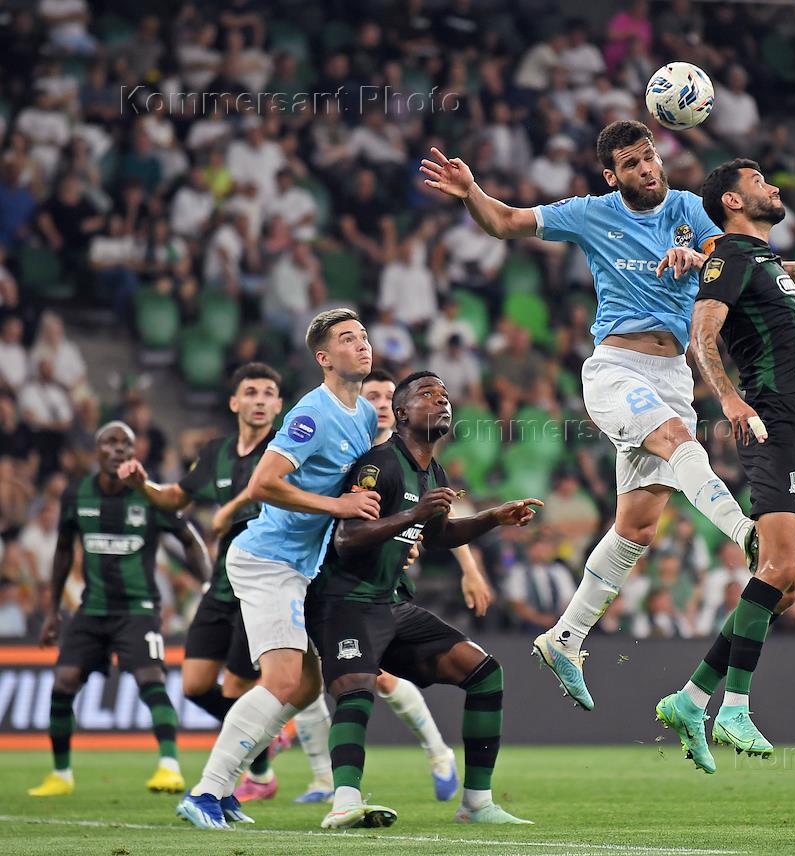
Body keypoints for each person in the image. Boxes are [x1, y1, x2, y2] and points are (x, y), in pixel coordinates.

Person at [420, 122, 795, 711]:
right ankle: (743, 534)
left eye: (650, 157)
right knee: (674, 441)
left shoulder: (692, 209)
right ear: (611, 175)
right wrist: (472, 193)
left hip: (673, 378)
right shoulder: (590, 213)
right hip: (618, 368)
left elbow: (754, 270)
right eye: (632, 163)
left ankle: (565, 637)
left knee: (638, 528)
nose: (647, 169)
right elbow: (507, 222)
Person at [654, 160, 795, 773]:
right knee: (777, 567)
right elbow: (702, 335)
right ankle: (733, 707)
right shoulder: (727, 255)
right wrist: (730, 399)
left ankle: (691, 699)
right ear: (733, 201)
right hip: (771, 416)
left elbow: (780, 274)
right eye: (759, 180)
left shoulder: (757, 259)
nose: (773, 186)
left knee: (786, 590)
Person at [177, 308, 380, 829]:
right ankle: (206, 792)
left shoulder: (363, 415)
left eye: (363, 336)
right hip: (268, 560)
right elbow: (263, 483)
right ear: (323, 357)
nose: (362, 344)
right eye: (347, 339)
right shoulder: (312, 413)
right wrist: (337, 506)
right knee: (283, 681)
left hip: (302, 566)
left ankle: (225, 789)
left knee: (307, 688)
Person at [309, 371, 541, 827]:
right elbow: (348, 537)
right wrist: (413, 512)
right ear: (401, 412)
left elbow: (437, 536)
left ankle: (476, 804)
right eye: (428, 394)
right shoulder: (380, 465)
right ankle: (344, 802)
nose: (441, 401)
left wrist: (493, 517)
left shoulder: (432, 471)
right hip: (344, 601)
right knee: (356, 687)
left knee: (485, 674)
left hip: (390, 604)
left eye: (445, 395)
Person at [118, 364, 336, 804]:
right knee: (195, 685)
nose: (260, 400)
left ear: (279, 405)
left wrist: (230, 507)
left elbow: (267, 487)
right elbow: (175, 497)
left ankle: (252, 771)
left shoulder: (289, 447)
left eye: (269, 393)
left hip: (265, 579)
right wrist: (143, 485)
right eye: (251, 392)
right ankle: (267, 740)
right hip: (221, 582)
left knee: (238, 686)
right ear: (234, 402)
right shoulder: (215, 452)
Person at [29, 422, 211, 797]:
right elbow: (63, 550)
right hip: (92, 608)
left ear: (134, 453)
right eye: (109, 443)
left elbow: (190, 540)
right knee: (63, 682)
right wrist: (52, 611)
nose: (118, 450)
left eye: (125, 444)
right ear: (96, 452)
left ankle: (169, 766)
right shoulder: (77, 493)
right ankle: (60, 774)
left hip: (138, 609)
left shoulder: (149, 494)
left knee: (150, 680)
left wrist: (207, 586)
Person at [361, 368, 496, 801]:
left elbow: (439, 523)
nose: (380, 405)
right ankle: (326, 783)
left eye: (385, 396)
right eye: (372, 397)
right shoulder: (356, 452)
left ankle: (444, 763)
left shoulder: (422, 463)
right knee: (304, 682)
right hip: (337, 584)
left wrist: (470, 564)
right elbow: (345, 529)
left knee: (359, 680)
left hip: (384, 588)